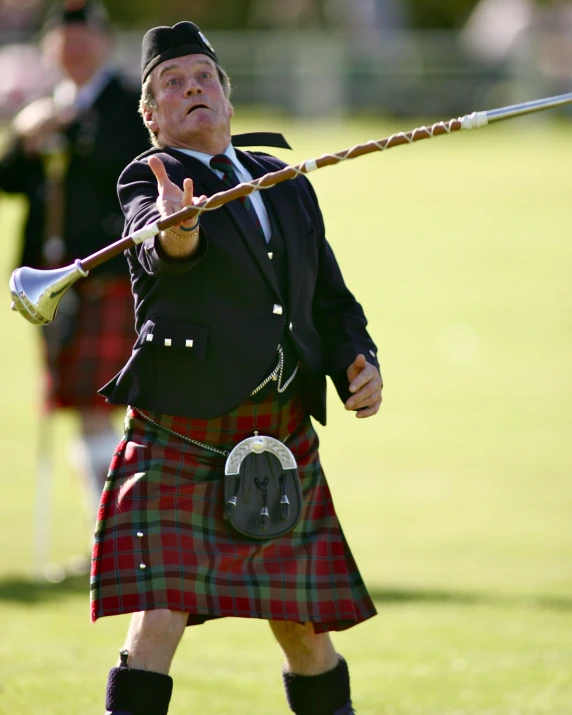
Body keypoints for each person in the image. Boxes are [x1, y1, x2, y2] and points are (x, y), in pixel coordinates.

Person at [91, 20, 383, 715]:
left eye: (203, 78)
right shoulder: (149, 177)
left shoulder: (284, 181)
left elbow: (328, 297)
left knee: (306, 629)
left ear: (227, 94)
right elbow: (160, 248)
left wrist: (355, 360)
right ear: (150, 113)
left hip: (276, 433)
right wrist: (179, 224)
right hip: (183, 430)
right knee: (159, 617)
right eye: (171, 83)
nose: (191, 89)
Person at [0, 1, 149, 541]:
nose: (73, 47)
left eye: (83, 36)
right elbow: (9, 180)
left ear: (104, 42)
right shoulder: (41, 106)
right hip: (51, 282)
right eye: (63, 38)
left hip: (108, 276)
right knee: (79, 408)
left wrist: (73, 129)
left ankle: (119, 534)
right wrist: (26, 136)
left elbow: (133, 173)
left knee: (101, 408)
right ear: (48, 47)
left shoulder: (132, 103)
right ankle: (107, 533)